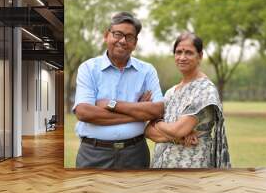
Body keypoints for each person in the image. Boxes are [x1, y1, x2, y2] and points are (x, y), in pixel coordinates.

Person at [73, 12, 164, 169]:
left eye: (129, 37)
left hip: (135, 153)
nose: (122, 41)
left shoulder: (147, 71)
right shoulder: (88, 68)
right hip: (93, 154)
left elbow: (158, 110)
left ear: (135, 43)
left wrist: (111, 104)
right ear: (106, 35)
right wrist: (138, 113)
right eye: (118, 34)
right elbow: (84, 113)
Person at [145, 32, 231, 168]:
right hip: (161, 166)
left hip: (192, 166)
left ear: (200, 56)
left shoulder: (205, 90)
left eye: (189, 53)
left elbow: (178, 130)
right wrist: (178, 138)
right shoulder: (170, 92)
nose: (182, 57)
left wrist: (159, 125)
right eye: (178, 52)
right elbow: (148, 131)